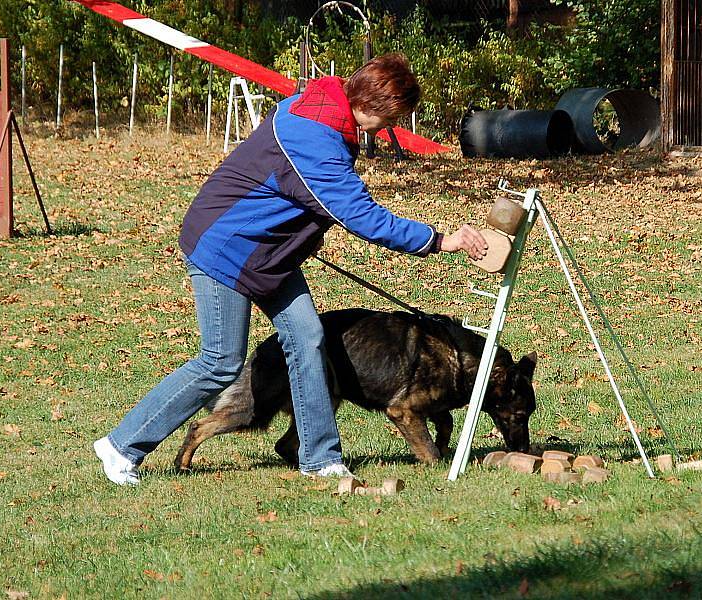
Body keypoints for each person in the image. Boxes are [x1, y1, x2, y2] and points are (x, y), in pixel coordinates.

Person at [93, 53, 488, 486]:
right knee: (220, 361)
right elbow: (360, 214)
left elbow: (290, 191)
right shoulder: (316, 136)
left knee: (308, 338)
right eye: (392, 119)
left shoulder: (323, 109)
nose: (388, 129)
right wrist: (439, 240)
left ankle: (318, 458)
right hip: (227, 249)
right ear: (375, 107)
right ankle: (122, 445)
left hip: (270, 255)